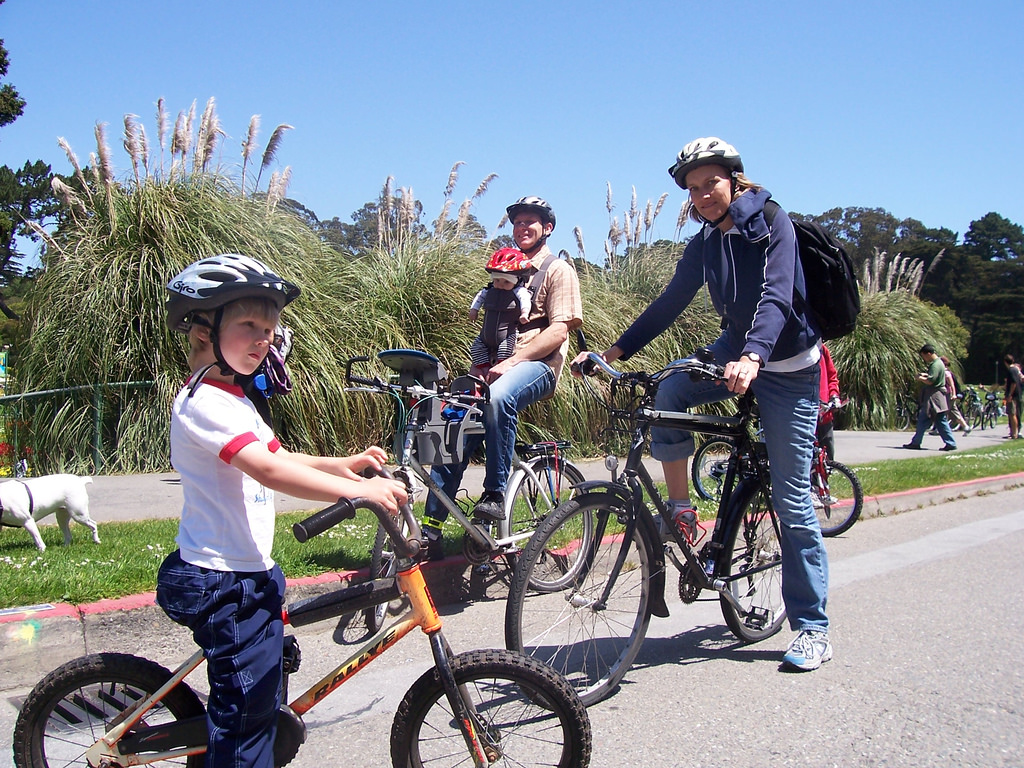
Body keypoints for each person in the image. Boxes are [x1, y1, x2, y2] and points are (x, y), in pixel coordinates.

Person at [573, 137, 831, 672]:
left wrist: (755, 356)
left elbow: (778, 295)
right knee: (670, 388)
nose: (702, 195)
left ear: (733, 179)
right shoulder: (706, 243)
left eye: (709, 183)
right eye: (692, 189)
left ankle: (812, 627)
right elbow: (668, 302)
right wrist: (611, 352)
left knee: (792, 501)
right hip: (732, 354)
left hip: (785, 369)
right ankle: (682, 511)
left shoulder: (773, 222)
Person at [156, 253, 408, 768]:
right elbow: (268, 473)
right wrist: (359, 495)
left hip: (247, 572)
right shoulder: (207, 402)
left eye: (270, 329)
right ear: (202, 328)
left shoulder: (234, 399)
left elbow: (281, 457)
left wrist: (344, 466)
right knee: (246, 720)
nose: (263, 339)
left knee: (259, 698)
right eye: (249, 324)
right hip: (221, 580)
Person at [422, 197, 583, 558]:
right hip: (494, 365)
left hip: (536, 365)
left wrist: (513, 362)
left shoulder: (558, 270)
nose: (523, 228)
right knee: (451, 420)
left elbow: (558, 332)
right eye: (518, 222)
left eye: (532, 222)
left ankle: (494, 495)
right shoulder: (503, 266)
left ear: (547, 228)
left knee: (499, 398)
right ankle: (431, 527)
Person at [468, 247, 535, 378]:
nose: (500, 285)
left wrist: (524, 313)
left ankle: (497, 372)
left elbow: (525, 300)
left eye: (506, 282)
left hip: (506, 335)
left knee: (505, 351)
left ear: (517, 280)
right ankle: (484, 369)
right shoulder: (488, 290)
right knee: (476, 348)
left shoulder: (518, 292)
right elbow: (479, 297)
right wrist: (473, 310)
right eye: (497, 280)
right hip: (485, 336)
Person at [902, 344, 957, 451]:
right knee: (936, 420)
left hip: (934, 396)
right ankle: (948, 442)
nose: (924, 359)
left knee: (928, 419)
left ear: (928, 353)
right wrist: (926, 374)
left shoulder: (935, 365)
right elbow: (934, 377)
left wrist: (920, 378)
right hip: (938, 395)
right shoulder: (939, 363)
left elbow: (931, 381)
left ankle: (917, 442)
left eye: (924, 356)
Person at [817, 343, 842, 460]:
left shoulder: (822, 350)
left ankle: (825, 476)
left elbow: (832, 377)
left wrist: (834, 396)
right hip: (804, 415)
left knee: (828, 456)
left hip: (824, 413)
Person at [940, 355, 971, 433]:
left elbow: (952, 385)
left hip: (948, 394)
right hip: (947, 394)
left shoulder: (946, 373)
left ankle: (940, 429)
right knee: (953, 411)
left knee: (944, 412)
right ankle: (966, 427)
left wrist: (954, 394)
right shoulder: (944, 372)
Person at [1005, 354, 1022, 439]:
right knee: (1013, 414)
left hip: (1013, 396)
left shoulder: (1011, 370)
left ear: (1005, 362)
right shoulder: (1016, 369)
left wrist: (1009, 394)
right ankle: (1014, 432)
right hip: (1018, 394)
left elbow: (1013, 383)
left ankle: (1014, 434)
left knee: (1012, 414)